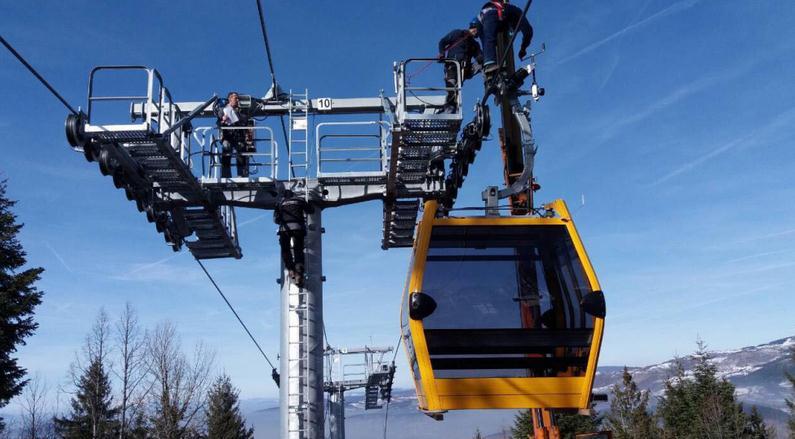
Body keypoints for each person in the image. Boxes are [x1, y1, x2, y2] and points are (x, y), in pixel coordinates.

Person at [477, 0, 533, 77]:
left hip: (480, 20)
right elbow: (528, 31)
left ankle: (489, 72)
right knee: (498, 39)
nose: (515, 31)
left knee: (488, 43)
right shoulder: (515, 10)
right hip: (492, 14)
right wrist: (523, 49)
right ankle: (494, 65)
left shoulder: (504, 11)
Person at [437, 20, 483, 113]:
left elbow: (479, 57)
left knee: (485, 63)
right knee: (452, 89)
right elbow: (443, 41)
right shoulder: (457, 33)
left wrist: (486, 59)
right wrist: (442, 53)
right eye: (476, 30)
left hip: (465, 70)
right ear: (473, 28)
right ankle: (449, 109)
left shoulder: (474, 44)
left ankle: (490, 80)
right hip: (452, 67)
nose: (476, 33)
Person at [273, 190, 315, 287]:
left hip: (284, 230)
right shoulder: (300, 200)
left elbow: (276, 219)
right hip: (298, 228)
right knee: (298, 251)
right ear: (293, 194)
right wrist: (310, 203)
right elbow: (311, 210)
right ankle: (299, 274)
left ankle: (291, 270)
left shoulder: (280, 203)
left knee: (285, 251)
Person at [218, 91, 253, 178]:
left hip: (239, 136)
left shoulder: (241, 111)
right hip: (227, 136)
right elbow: (219, 122)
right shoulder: (223, 110)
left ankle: (241, 175)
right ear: (230, 99)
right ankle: (226, 176)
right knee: (226, 152)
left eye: (238, 98)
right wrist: (223, 120)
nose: (237, 100)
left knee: (241, 155)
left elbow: (245, 121)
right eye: (235, 98)